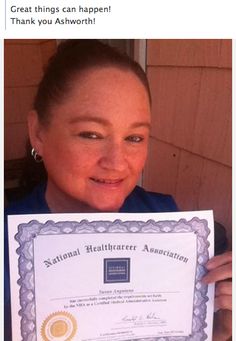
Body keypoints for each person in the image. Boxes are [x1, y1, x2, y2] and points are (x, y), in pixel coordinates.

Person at [5, 40, 232, 340]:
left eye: (135, 138)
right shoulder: (7, 246)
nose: (117, 162)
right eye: (92, 134)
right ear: (38, 132)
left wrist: (219, 330)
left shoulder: (168, 221)